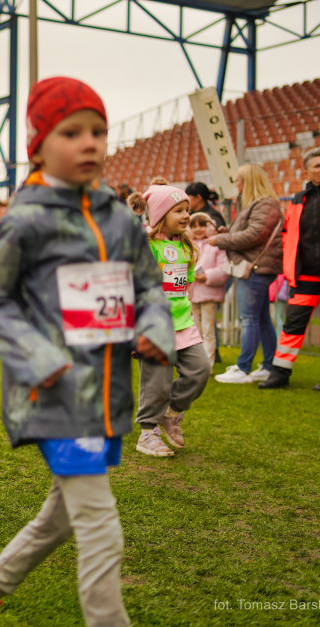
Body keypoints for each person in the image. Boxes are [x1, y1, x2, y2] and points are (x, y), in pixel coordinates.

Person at [0, 77, 173, 626]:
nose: (90, 142)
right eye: (72, 132)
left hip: (108, 397)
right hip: (53, 400)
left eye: (98, 131)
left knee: (62, 517)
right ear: (39, 146)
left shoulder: (121, 218)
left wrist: (154, 328)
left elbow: (147, 286)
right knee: (101, 526)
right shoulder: (28, 219)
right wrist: (37, 359)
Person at [126, 183, 211, 457]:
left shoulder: (186, 246)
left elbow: (184, 287)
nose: (186, 215)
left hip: (183, 324)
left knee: (200, 370)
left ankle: (170, 413)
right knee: (157, 384)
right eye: (178, 211)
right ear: (161, 215)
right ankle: (147, 434)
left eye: (187, 209)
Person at [259, 147, 320, 391]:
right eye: (317, 165)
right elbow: (288, 232)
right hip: (304, 275)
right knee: (292, 325)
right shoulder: (299, 198)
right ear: (307, 170)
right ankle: (279, 374)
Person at [210, 164, 284, 384]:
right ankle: (268, 366)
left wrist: (220, 240)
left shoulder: (265, 204)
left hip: (254, 269)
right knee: (260, 319)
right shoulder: (258, 204)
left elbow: (254, 235)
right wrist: (227, 232)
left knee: (249, 319)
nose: (237, 184)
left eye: (239, 180)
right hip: (255, 268)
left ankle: (243, 368)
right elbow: (251, 232)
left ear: (249, 181)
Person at [187, 213, 228, 365]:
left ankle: (208, 363)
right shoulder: (188, 245)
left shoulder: (216, 245)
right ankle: (196, 363)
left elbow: (224, 269)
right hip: (192, 294)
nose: (198, 229)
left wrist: (207, 276)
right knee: (194, 330)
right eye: (194, 226)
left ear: (210, 226)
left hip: (209, 293)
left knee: (208, 329)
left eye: (202, 225)